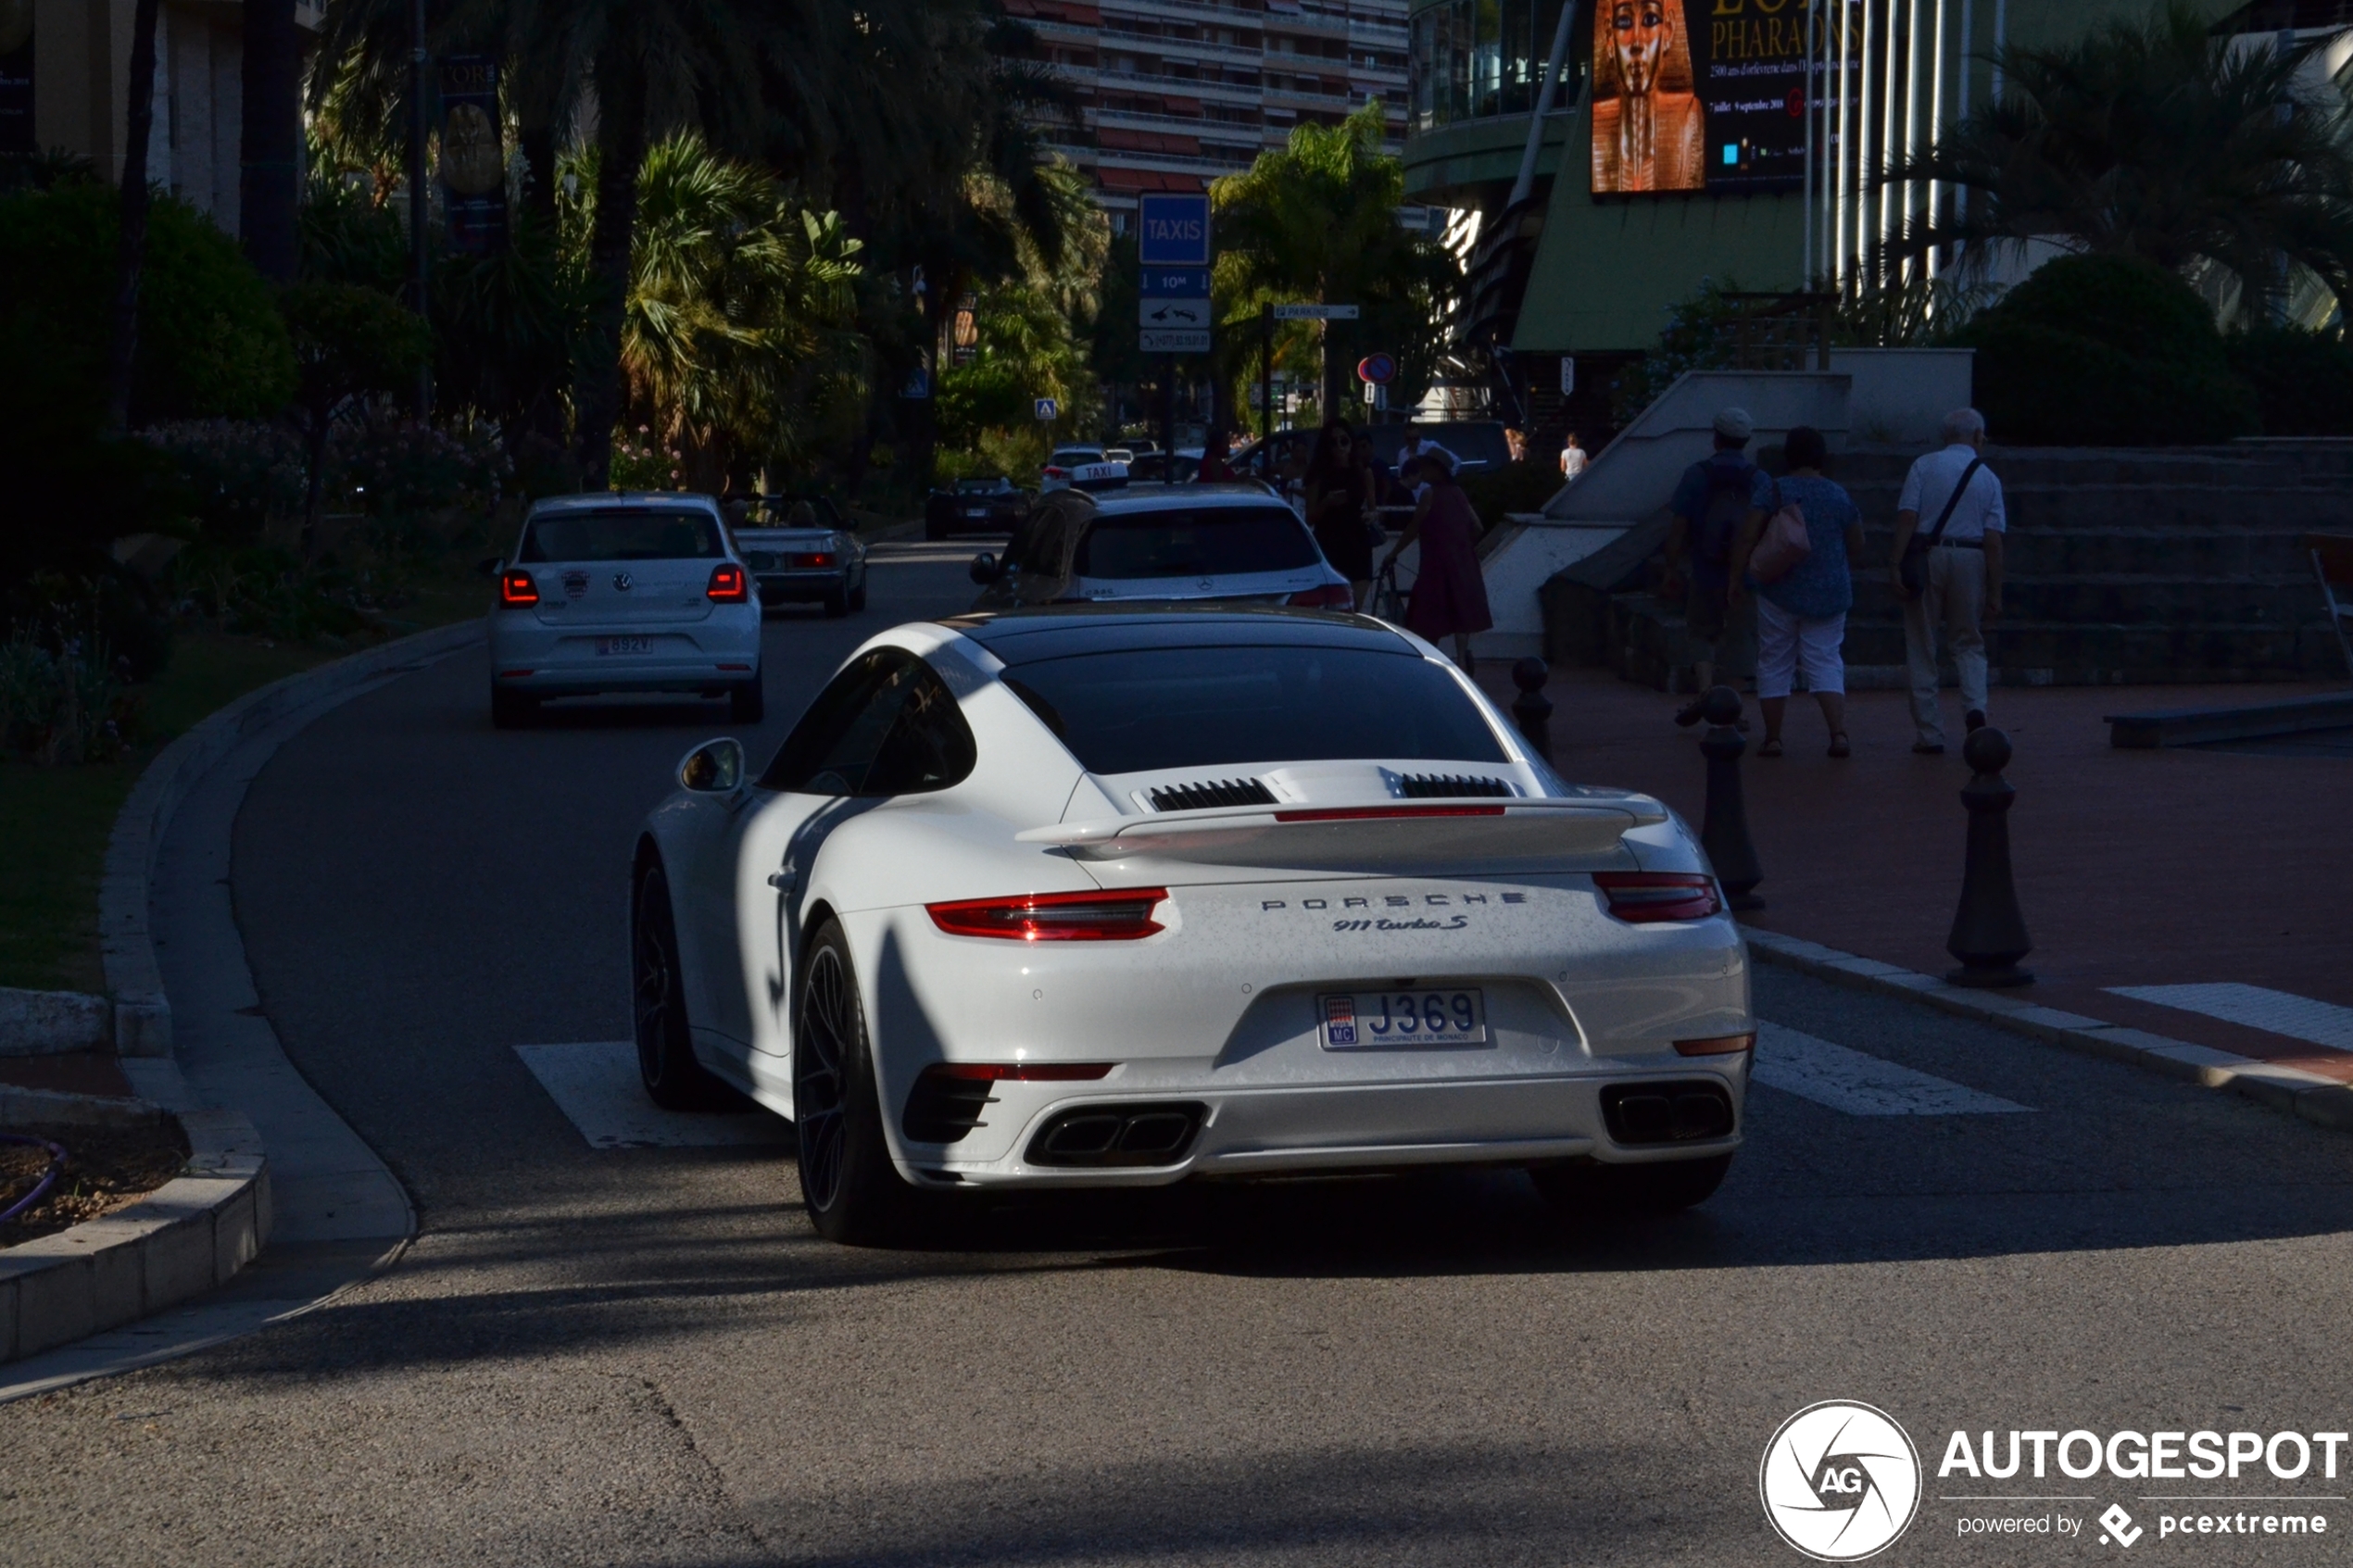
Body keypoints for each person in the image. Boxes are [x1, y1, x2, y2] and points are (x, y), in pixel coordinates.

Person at [1728, 425, 1862, 759]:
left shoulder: (1774, 490)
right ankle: (1838, 734)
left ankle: (1773, 738)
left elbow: (1747, 537)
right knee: (1826, 660)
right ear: (1822, 457)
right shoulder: (1838, 494)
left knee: (1774, 660)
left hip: (1778, 589)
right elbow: (1857, 541)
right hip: (1830, 592)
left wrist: (1736, 578)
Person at [1890, 408, 2007, 755]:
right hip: (1971, 557)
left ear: (1945, 436)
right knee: (1969, 641)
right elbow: (1994, 540)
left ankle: (1930, 734)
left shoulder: (1923, 466)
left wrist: (1895, 562)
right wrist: (1995, 590)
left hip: (1927, 555)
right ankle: (1974, 709)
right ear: (1976, 436)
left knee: (1922, 644)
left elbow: (1908, 516)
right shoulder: (1988, 477)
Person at [1664, 407, 1772, 725]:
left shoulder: (1696, 474)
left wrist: (1671, 567)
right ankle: (1731, 703)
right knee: (1742, 637)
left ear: (1716, 438)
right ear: (1746, 440)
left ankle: (1706, 691)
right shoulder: (1760, 479)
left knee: (1700, 630)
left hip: (1705, 566)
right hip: (1747, 573)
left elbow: (1678, 526)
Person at [1383, 446, 1491, 672]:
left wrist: (1393, 554)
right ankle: (1461, 660)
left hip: (1436, 564)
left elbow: (1414, 526)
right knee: (1461, 612)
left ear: (1436, 470)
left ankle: (1431, 662)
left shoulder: (1429, 494)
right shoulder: (1458, 493)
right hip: (1462, 561)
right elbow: (1477, 526)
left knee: (1429, 615)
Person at [1590, 0, 1705, 194]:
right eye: (1625, 22)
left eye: (1650, 19)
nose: (1637, 42)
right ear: (1609, 37)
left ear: (1668, 30)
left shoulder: (1688, 118)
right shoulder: (1595, 131)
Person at [1303, 421, 1378, 607]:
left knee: (1356, 606)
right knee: (1337, 609)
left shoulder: (1362, 473)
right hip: (1331, 543)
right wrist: (1327, 502)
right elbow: (1310, 517)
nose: (1339, 447)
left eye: (1344, 441)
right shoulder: (1318, 476)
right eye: (1333, 443)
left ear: (1351, 443)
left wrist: (1371, 516)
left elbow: (1373, 508)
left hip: (1358, 543)